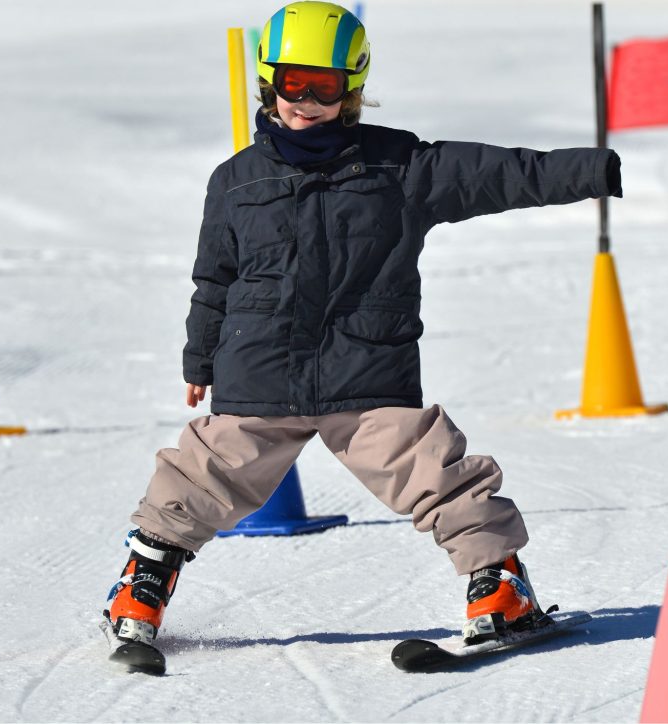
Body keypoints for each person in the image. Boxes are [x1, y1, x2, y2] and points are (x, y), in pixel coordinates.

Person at [104, 0, 622, 651]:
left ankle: (496, 586)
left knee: (436, 472)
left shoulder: (399, 167)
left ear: (353, 90)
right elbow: (214, 280)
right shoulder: (233, 182)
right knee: (201, 475)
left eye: (327, 87)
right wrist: (199, 361)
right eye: (296, 84)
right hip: (260, 372)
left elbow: (498, 175)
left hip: (366, 371)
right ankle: (142, 585)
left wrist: (593, 171)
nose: (309, 101)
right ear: (268, 81)